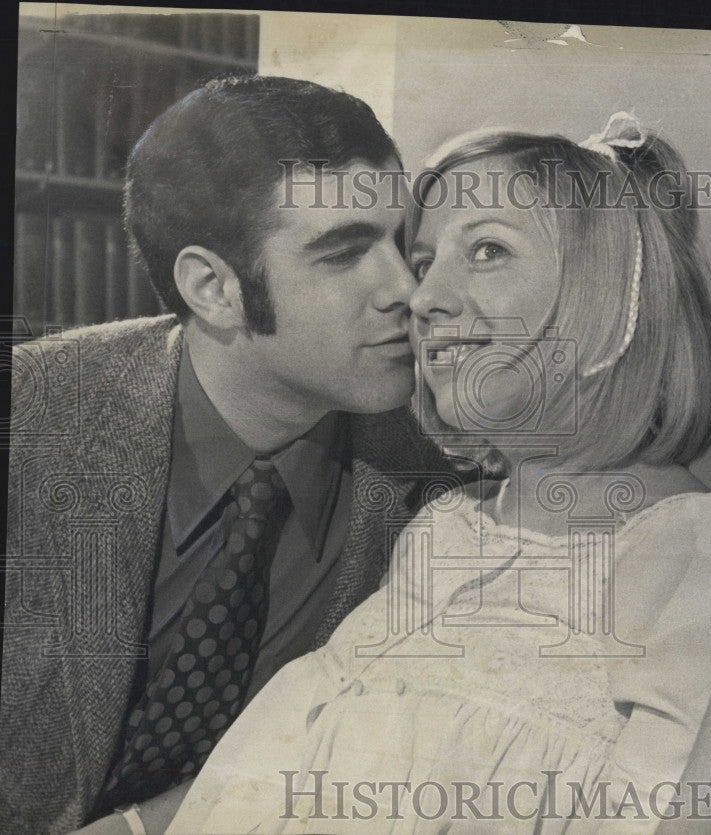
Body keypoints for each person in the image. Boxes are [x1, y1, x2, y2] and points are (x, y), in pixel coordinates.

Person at [164, 117, 711, 833]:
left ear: (604, 305)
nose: (422, 298)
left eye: (488, 250)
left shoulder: (699, 553)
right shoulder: (446, 527)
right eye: (427, 261)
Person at [2, 75, 455, 834]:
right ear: (213, 288)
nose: (407, 290)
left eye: (403, 243)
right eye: (344, 254)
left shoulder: (453, 475)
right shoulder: (32, 417)